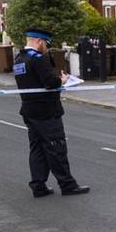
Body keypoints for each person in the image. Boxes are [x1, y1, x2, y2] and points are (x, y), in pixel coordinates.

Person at [13, 27, 88, 197]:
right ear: (39, 41)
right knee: (56, 147)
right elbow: (49, 82)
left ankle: (38, 186)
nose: (46, 47)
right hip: (46, 111)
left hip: (29, 110)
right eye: (45, 43)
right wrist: (62, 80)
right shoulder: (38, 59)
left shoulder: (19, 59)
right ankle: (67, 184)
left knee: (37, 148)